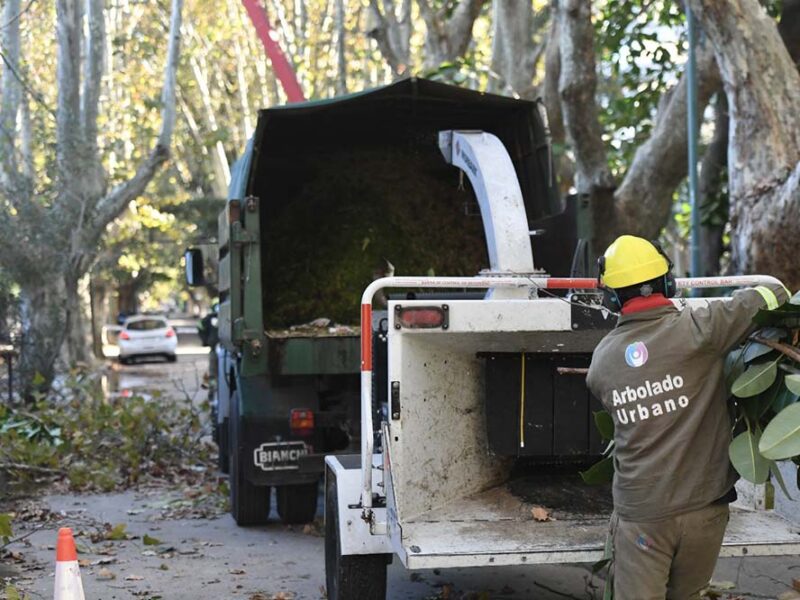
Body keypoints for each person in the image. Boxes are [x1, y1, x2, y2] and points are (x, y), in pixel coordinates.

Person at [586, 235, 789, 600]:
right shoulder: (703, 329)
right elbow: (774, 294)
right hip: (705, 512)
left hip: (644, 516)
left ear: (611, 298)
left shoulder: (602, 363)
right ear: (669, 283)